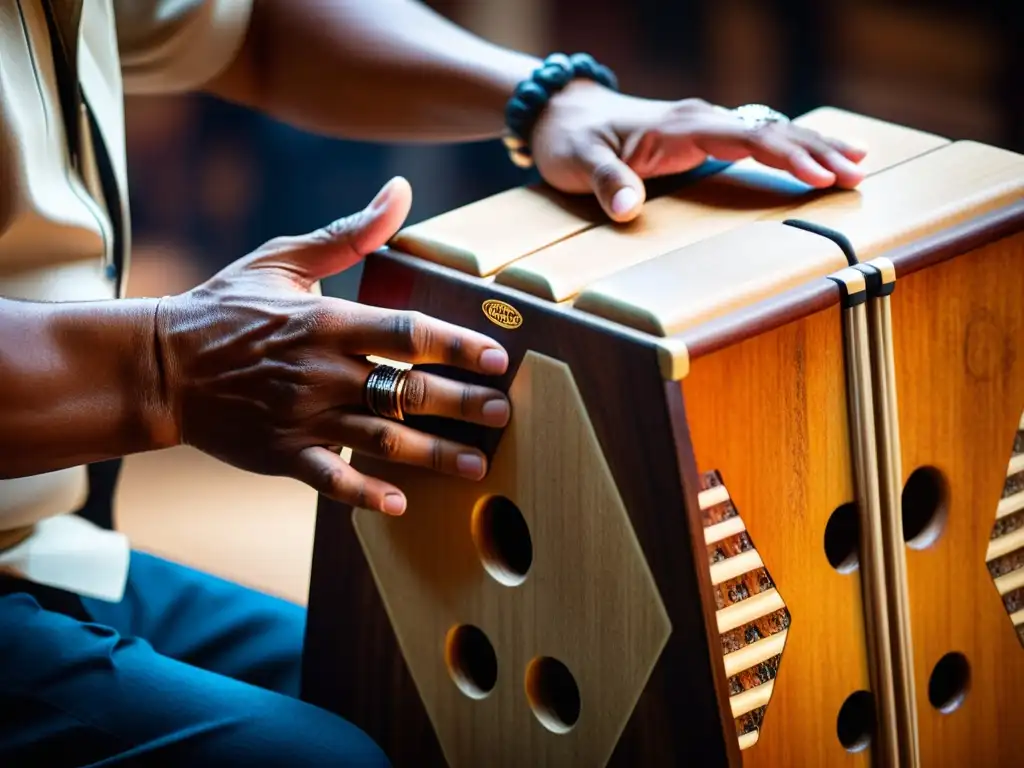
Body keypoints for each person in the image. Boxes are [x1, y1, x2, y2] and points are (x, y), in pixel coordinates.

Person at [0, 1, 867, 764]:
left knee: (433, 720)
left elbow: (249, 23)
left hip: (47, 540)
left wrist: (553, 98)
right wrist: (164, 365)